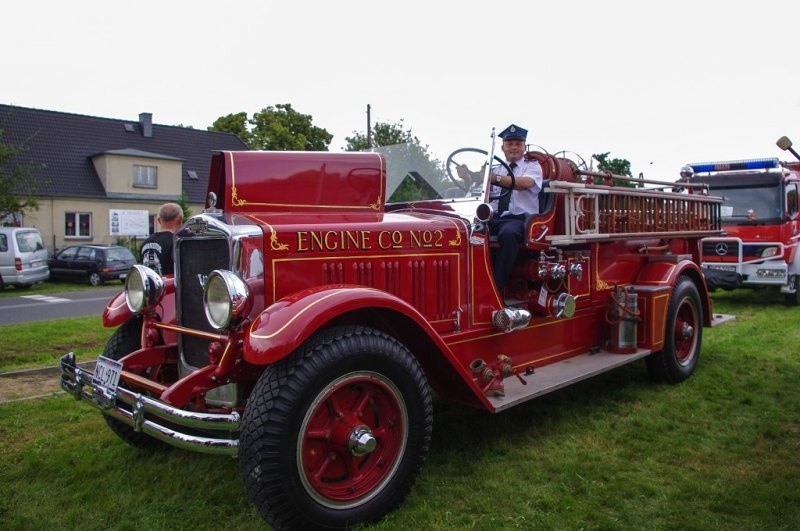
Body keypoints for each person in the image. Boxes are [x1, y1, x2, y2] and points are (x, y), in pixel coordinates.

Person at [458, 124, 543, 291]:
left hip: (520, 218)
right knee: (467, 231)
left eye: (518, 144)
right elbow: (481, 190)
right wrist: (467, 177)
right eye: (509, 144)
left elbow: (524, 183)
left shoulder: (532, 166)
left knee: (508, 234)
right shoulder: (495, 168)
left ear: (524, 147)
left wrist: (495, 178)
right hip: (494, 217)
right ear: (503, 147)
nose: (513, 147)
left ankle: (496, 286)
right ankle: (468, 281)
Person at [141, 202, 183, 276]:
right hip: (170, 287)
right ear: (180, 220)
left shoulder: (145, 243)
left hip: (151, 286)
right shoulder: (178, 243)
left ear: (159, 220)